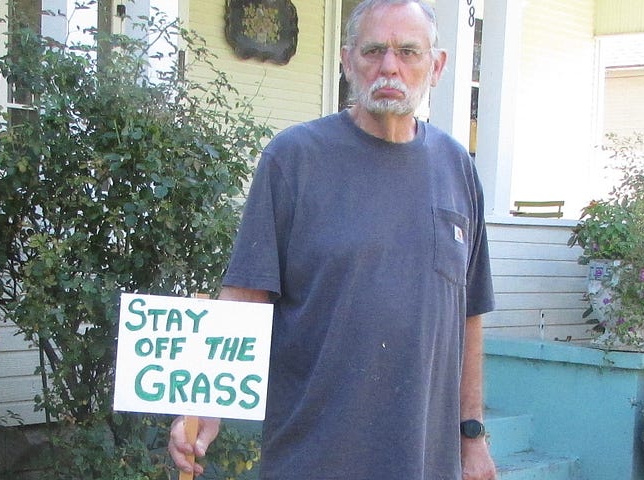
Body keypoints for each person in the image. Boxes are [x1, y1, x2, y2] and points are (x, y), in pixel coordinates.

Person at [167, 1, 496, 479]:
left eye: (408, 52)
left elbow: (468, 316)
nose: (390, 66)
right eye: (374, 51)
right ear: (346, 60)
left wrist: (472, 437)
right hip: (313, 458)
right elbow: (246, 295)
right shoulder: (294, 159)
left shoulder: (457, 167)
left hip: (424, 461)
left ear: (437, 65)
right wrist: (204, 407)